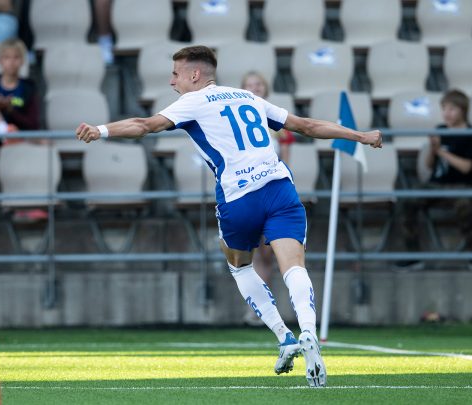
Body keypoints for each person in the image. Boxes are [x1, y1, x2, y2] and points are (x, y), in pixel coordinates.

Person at [75, 45, 382, 387]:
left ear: (195, 75)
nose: (171, 80)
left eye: (176, 73)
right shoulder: (247, 96)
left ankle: (284, 336)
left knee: (239, 265)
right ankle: (308, 330)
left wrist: (101, 131)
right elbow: (307, 125)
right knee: (294, 266)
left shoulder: (192, 101)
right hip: (279, 188)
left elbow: (144, 125)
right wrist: (361, 136)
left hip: (239, 197)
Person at [396, 89, 472, 271]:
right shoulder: (440, 130)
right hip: (436, 184)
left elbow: (467, 167)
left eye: (452, 109)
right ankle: (412, 255)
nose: (447, 113)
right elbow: (430, 165)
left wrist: (441, 151)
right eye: (444, 108)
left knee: (465, 205)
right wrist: (432, 150)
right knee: (407, 200)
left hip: (461, 185)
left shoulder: (471, 133)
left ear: (463, 110)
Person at [240, 71, 296, 326]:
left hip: (271, 191)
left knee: (270, 252)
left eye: (258, 84)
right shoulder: (237, 122)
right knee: (252, 253)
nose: (255, 89)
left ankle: (268, 309)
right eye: (249, 86)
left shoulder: (276, 120)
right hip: (246, 192)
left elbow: (285, 159)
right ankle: (258, 308)